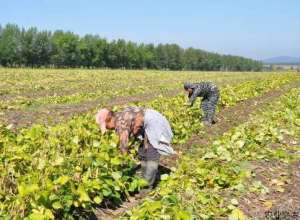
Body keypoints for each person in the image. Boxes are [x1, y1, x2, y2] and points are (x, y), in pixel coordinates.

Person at [95, 107, 175, 194]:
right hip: (149, 122)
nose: (107, 128)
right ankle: (146, 178)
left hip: (153, 122)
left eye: (106, 125)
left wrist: (122, 161)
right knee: (143, 151)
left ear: (109, 119)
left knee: (152, 152)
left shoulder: (120, 122)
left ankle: (146, 187)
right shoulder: (120, 117)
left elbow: (123, 144)